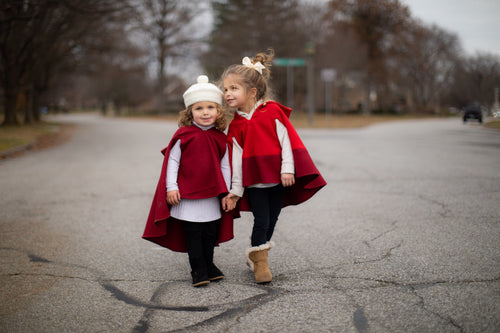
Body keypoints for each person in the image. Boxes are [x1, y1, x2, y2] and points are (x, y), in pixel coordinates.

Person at [221, 50, 327, 284]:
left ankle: (256, 252)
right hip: (255, 182)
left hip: (278, 179)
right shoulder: (236, 124)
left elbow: (286, 141)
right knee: (262, 220)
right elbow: (236, 160)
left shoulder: (272, 112)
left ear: (252, 92)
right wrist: (236, 190)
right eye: (226, 90)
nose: (227, 94)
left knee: (272, 219)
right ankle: (260, 263)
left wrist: (288, 169)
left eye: (233, 89)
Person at [142, 75, 234, 287]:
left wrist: (227, 192)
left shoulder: (221, 138)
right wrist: (171, 188)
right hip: (187, 196)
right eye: (199, 108)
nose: (205, 113)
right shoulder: (183, 135)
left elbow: (225, 166)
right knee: (193, 234)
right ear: (190, 112)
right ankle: (198, 270)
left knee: (210, 233)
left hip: (212, 196)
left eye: (210, 107)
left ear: (218, 111)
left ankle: (209, 265)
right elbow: (172, 163)